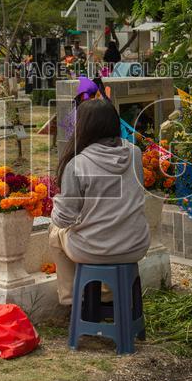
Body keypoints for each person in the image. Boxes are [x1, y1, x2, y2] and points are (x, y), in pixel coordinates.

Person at [48, 98, 151, 306]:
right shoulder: (135, 154)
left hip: (94, 249)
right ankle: (107, 296)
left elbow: (64, 218)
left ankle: (74, 301)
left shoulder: (78, 164)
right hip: (136, 245)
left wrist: (56, 204)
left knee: (54, 232)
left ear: (83, 127)